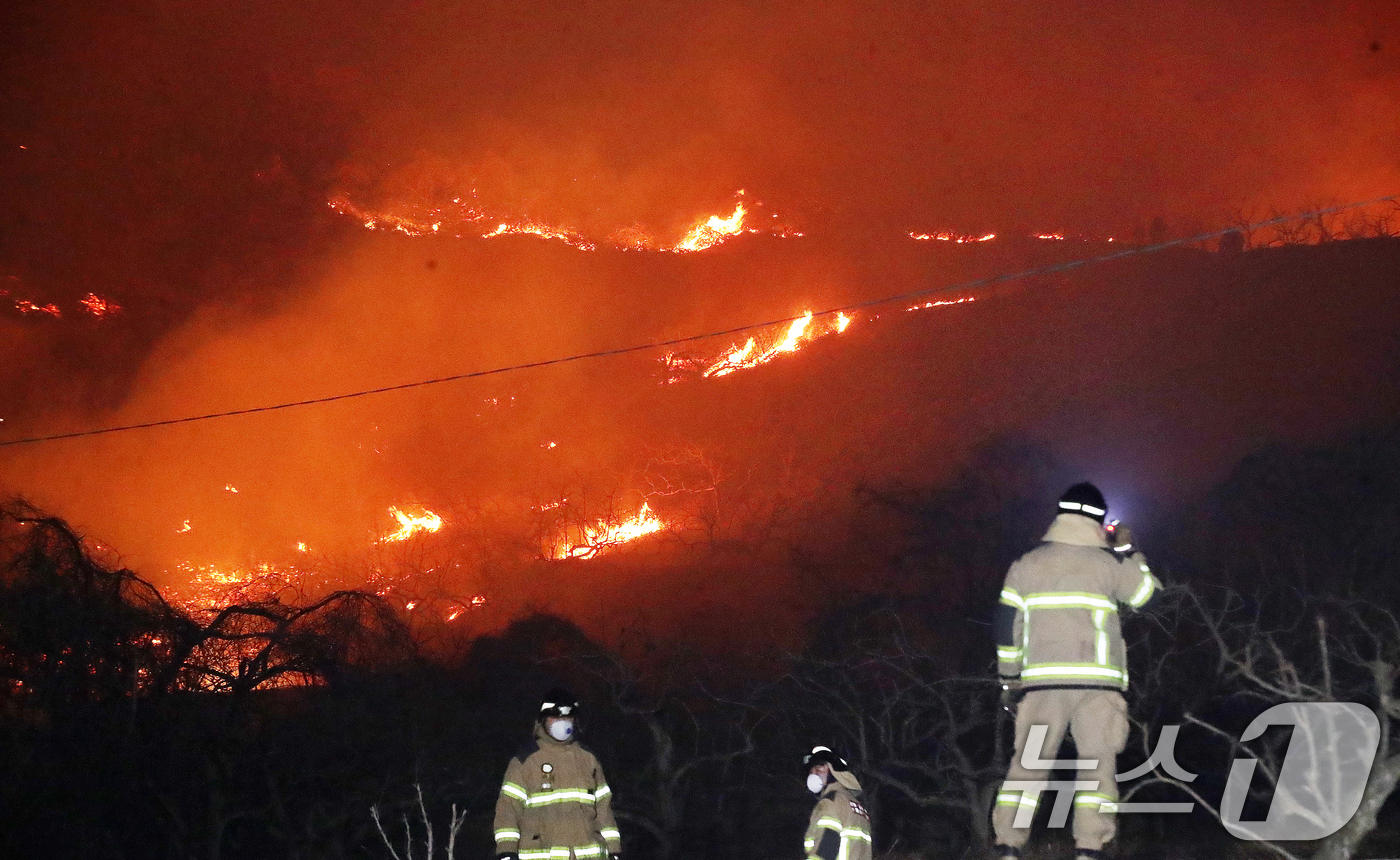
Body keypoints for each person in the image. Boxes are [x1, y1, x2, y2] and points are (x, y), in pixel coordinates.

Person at [991, 483, 1161, 860]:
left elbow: (1005, 624)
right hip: (1099, 686)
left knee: (1028, 765)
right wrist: (1127, 549)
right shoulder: (1110, 563)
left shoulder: (1027, 564)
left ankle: (1008, 846)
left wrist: (1009, 678)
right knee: (1098, 768)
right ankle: (1089, 849)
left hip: (1042, 685)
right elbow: (1148, 597)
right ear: (1100, 521)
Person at [494, 688, 621, 860]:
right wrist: (507, 851)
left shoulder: (588, 759)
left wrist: (614, 850)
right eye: (556, 718)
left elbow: (604, 810)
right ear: (543, 720)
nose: (562, 723)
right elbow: (508, 809)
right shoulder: (525, 761)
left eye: (568, 718)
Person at [803, 745, 873, 860]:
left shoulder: (830, 801)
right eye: (811, 771)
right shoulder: (857, 805)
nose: (814, 774)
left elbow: (826, 850)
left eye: (819, 769)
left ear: (833, 772)